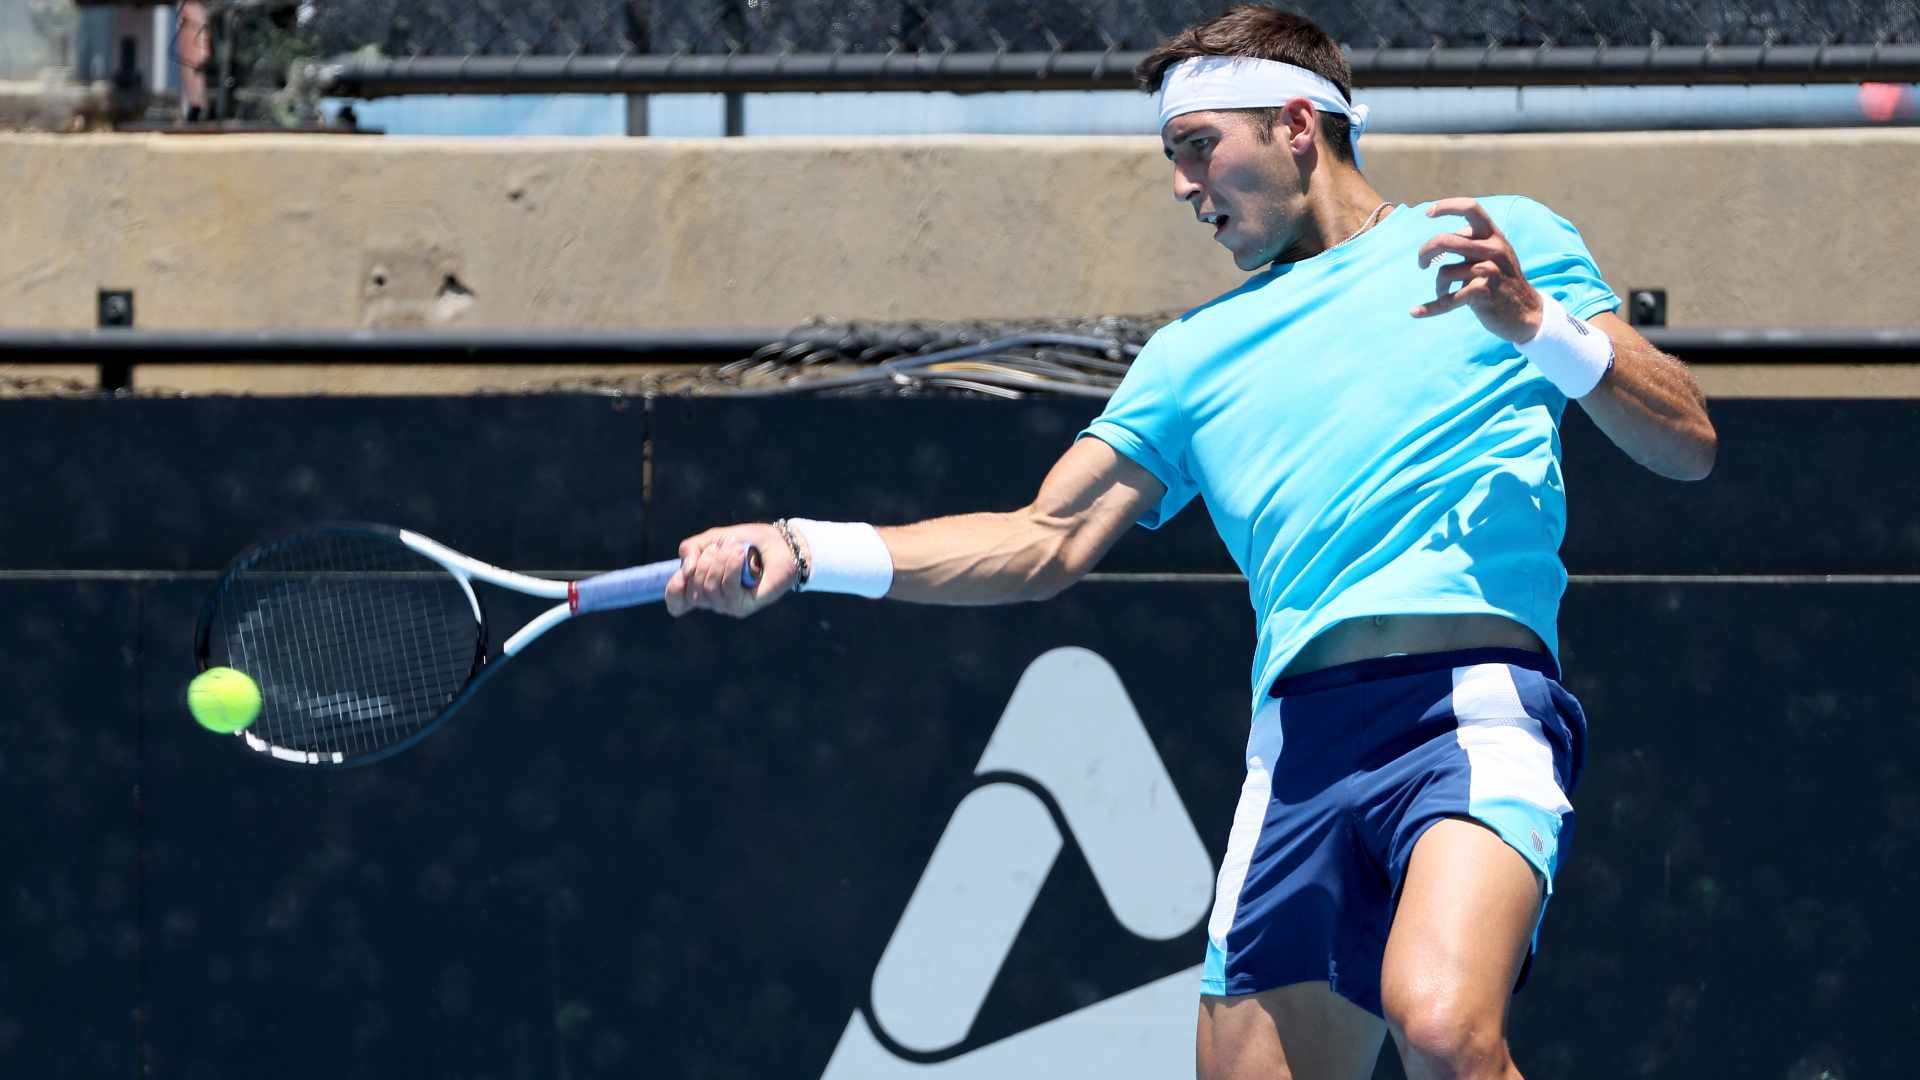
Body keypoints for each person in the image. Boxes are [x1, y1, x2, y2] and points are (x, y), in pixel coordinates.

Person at [665, 6, 1717, 1077]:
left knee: (1443, 1026)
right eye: (1173, 155)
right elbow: (1043, 539)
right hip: (1300, 749)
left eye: (1197, 146)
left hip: (1469, 708)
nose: (1181, 184)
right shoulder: (1190, 358)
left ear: (1298, 126)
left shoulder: (1502, 243)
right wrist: (804, 546)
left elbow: (1688, 440)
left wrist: (1542, 327)